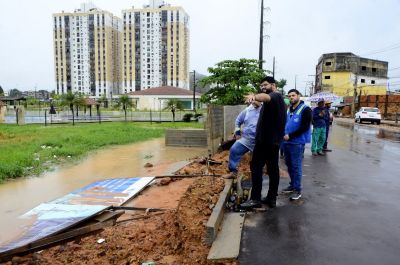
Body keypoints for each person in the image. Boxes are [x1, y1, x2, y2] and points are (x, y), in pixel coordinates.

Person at [240, 76, 287, 209]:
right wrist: (255, 100)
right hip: (272, 141)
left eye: (265, 85)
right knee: (272, 170)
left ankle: (255, 199)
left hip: (266, 142)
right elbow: (262, 102)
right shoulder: (276, 100)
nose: (263, 87)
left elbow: (264, 97)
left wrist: (254, 96)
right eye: (261, 85)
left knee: (256, 167)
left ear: (273, 85)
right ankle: (271, 198)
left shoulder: (275, 96)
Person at [282, 89, 312, 200]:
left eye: (293, 95)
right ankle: (292, 185)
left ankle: (297, 190)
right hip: (286, 142)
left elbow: (305, 127)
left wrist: (290, 136)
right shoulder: (289, 109)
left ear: (299, 96)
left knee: (296, 166)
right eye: (289, 96)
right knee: (289, 165)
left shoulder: (306, 109)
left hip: (297, 143)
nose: (291, 98)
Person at [224, 100, 262, 179]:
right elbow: (238, 121)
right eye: (253, 101)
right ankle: (233, 171)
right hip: (247, 139)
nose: (254, 102)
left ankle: (263, 174)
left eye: (256, 100)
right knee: (234, 150)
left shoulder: (264, 109)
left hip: (260, 140)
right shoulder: (247, 110)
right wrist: (237, 132)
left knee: (260, 159)